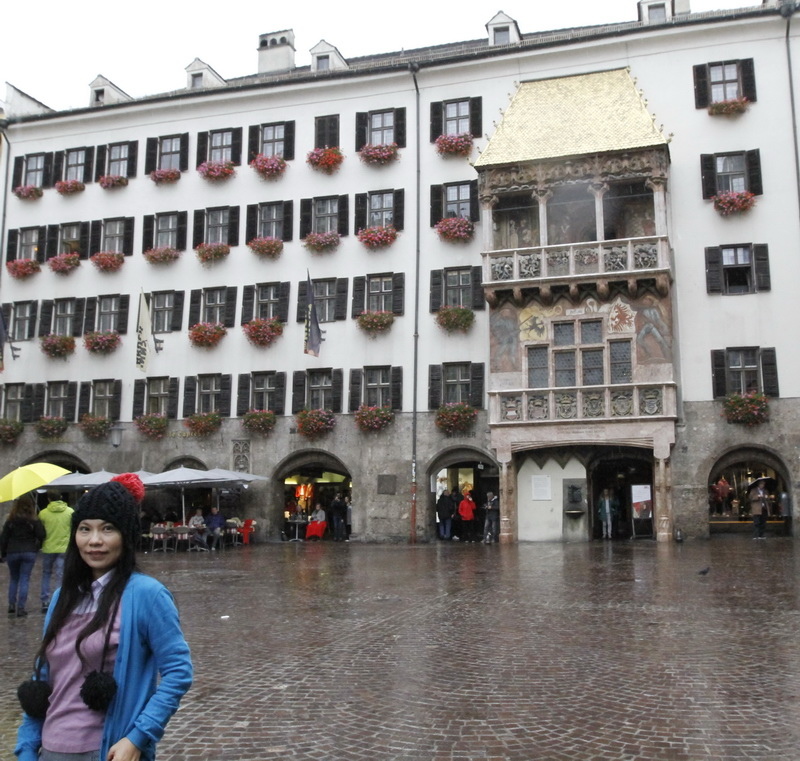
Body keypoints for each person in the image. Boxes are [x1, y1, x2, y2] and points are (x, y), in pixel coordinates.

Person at [14, 473, 192, 761]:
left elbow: (178, 672)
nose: (94, 541)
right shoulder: (62, 596)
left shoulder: (147, 595)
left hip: (105, 750)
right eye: (85, 529)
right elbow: (42, 678)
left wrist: (137, 738)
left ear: (126, 535)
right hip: (50, 750)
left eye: (108, 529)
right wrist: (26, 747)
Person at [1, 494, 46, 618]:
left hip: (12, 551)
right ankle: (21, 607)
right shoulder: (33, 520)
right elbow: (41, 534)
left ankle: (11, 605)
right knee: (24, 579)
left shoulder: (11, 520)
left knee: (14, 578)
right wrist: (37, 546)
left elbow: (3, 538)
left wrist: (3, 553)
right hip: (29, 551)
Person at [38, 490, 74, 613]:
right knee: (61, 574)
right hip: (64, 547)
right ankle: (59, 599)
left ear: (49, 499)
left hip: (48, 547)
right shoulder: (70, 512)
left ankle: (45, 600)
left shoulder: (43, 513)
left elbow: (41, 531)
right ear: (61, 497)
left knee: (46, 574)